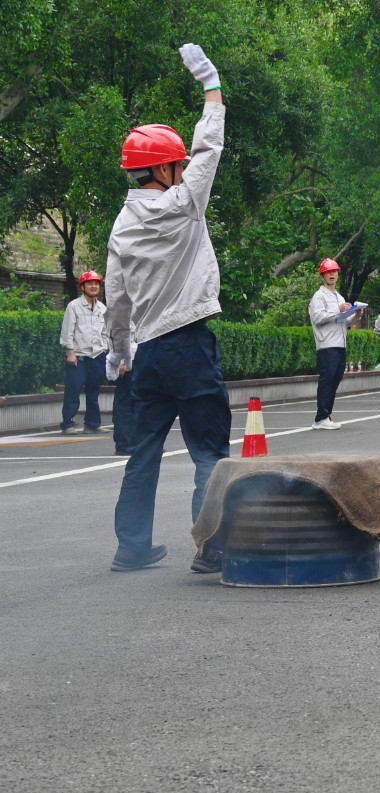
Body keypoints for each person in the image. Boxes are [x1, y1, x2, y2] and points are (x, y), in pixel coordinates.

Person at [103, 43, 233, 573]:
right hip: (191, 344)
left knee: (143, 454)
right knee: (208, 452)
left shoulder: (121, 225)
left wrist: (118, 350)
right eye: (177, 164)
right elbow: (209, 148)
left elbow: (117, 299)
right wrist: (211, 88)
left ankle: (131, 547)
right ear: (163, 169)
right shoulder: (185, 204)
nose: (183, 169)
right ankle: (211, 549)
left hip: (149, 353)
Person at [308, 258, 359, 430]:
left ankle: (326, 415)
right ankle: (320, 418)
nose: (332, 274)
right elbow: (317, 318)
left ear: (338, 274)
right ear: (323, 275)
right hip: (326, 345)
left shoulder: (339, 296)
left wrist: (356, 315)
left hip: (340, 344)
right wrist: (339, 309)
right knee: (327, 381)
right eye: (328, 272)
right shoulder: (319, 296)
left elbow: (343, 321)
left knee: (334, 381)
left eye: (334, 272)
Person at [60, 270, 110, 434]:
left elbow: (105, 332)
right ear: (82, 287)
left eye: (96, 284)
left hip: (97, 355)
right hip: (79, 356)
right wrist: (70, 351)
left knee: (93, 391)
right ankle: (68, 424)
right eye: (90, 283)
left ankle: (92, 424)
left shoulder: (102, 308)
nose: (94, 286)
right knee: (73, 389)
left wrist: (104, 349)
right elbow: (68, 330)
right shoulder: (73, 306)